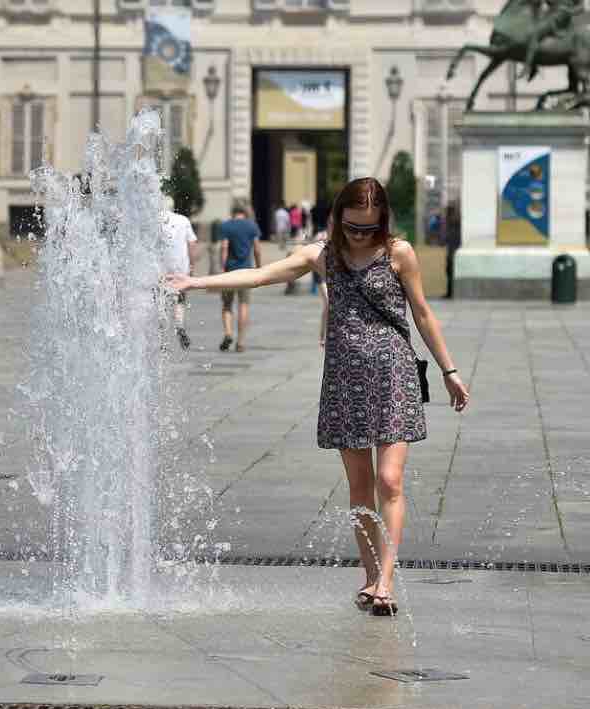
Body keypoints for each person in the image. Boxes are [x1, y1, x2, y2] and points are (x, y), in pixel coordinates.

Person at [167, 177, 470, 617]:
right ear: (338, 217)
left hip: (393, 376)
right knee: (360, 486)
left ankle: (386, 580)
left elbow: (422, 313)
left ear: (383, 222)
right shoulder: (324, 256)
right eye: (352, 227)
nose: (360, 236)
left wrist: (450, 371)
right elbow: (260, 274)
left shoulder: (398, 254)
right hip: (345, 381)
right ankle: (369, 576)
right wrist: (194, 283)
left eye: (369, 228)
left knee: (390, 480)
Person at [216, 205, 262, 352]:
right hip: (246, 272)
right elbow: (257, 248)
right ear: (245, 213)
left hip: (230, 271)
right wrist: (260, 268)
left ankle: (228, 333)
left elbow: (224, 247)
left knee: (227, 305)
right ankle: (241, 341)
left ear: (233, 213)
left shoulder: (226, 226)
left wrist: (222, 267)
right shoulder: (252, 226)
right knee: (243, 305)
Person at [160, 195, 199, 350]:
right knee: (179, 300)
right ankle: (180, 326)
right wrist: (192, 264)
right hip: (180, 268)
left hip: (160, 269)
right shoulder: (183, 220)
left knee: (160, 303)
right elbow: (192, 243)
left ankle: (161, 338)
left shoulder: (153, 220)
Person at [444, 203, 461, 299]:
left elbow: (451, 240)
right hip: (452, 252)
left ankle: (450, 293)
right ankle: (450, 292)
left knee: (450, 273)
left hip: (452, 253)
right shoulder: (454, 224)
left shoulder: (453, 224)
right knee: (449, 273)